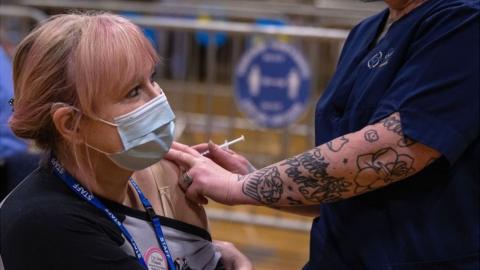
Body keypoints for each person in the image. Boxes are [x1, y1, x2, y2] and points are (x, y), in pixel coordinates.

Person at [166, 0, 479, 269]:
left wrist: (242, 187)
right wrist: (255, 177)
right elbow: (343, 184)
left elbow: (393, 150)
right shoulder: (366, 32)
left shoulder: (465, 23)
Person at [0, 13, 252, 270]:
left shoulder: (166, 176)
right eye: (133, 92)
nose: (158, 100)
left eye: (152, 78)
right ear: (71, 124)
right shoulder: (44, 225)